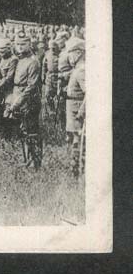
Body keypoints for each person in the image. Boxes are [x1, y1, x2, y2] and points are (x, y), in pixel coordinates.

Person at [4, 35, 43, 167]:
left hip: (29, 101)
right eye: (18, 44)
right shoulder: (20, 60)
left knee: (31, 131)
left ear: (29, 45)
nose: (20, 47)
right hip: (19, 97)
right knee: (23, 131)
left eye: (23, 44)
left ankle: (35, 162)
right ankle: (27, 159)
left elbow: (31, 87)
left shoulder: (33, 62)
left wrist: (17, 102)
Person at [63, 38, 86, 177]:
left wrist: (81, 113)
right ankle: (75, 170)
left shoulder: (81, 70)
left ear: (78, 53)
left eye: (70, 53)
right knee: (73, 140)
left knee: (77, 142)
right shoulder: (77, 69)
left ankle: (76, 171)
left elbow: (89, 93)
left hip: (76, 111)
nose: (69, 57)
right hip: (73, 109)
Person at [0, 37, 18, 138]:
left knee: (9, 112)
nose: (1, 52)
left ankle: (11, 135)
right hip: (1, 88)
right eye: (0, 50)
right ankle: (3, 134)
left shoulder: (14, 60)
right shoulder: (3, 59)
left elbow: (9, 77)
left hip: (10, 90)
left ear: (9, 49)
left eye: (3, 50)